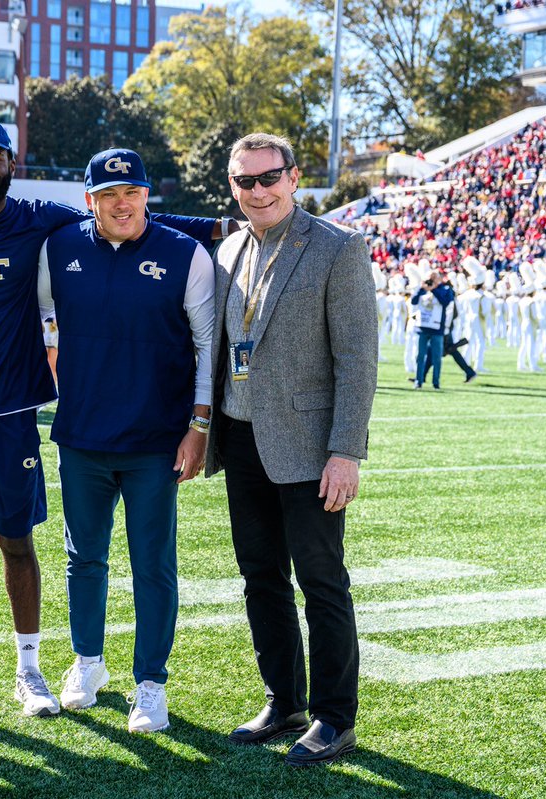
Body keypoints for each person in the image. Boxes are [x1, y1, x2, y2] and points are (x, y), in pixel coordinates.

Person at [0, 120, 230, 721]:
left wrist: (218, 226)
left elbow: (137, 228)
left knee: (43, 548)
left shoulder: (40, 221)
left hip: (23, 416)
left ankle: (69, 673)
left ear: (11, 162)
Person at [204, 133, 376, 767]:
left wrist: (346, 452)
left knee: (322, 582)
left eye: (268, 177)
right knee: (260, 579)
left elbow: (357, 360)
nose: (258, 191)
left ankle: (335, 717)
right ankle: (285, 700)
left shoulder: (338, 247)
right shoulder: (227, 251)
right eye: (245, 181)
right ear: (232, 185)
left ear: (294, 177)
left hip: (309, 447)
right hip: (242, 437)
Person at [37, 149, 214, 733]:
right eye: (109, 193)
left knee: (152, 564)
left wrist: (200, 426)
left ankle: (151, 683)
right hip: (82, 435)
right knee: (82, 558)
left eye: (132, 191)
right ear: (90, 198)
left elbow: (208, 346)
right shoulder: (59, 248)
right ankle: (88, 661)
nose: (122, 203)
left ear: (146, 195)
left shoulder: (184, 253)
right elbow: (36, 312)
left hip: (155, 440)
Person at [412, 269, 453, 389]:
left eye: (434, 278)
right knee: (420, 356)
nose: (432, 280)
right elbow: (413, 301)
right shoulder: (422, 289)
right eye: (430, 278)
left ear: (439, 279)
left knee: (437, 357)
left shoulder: (445, 289)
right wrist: (421, 288)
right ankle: (418, 381)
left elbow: (445, 302)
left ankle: (436, 382)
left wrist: (434, 289)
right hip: (423, 327)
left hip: (437, 328)